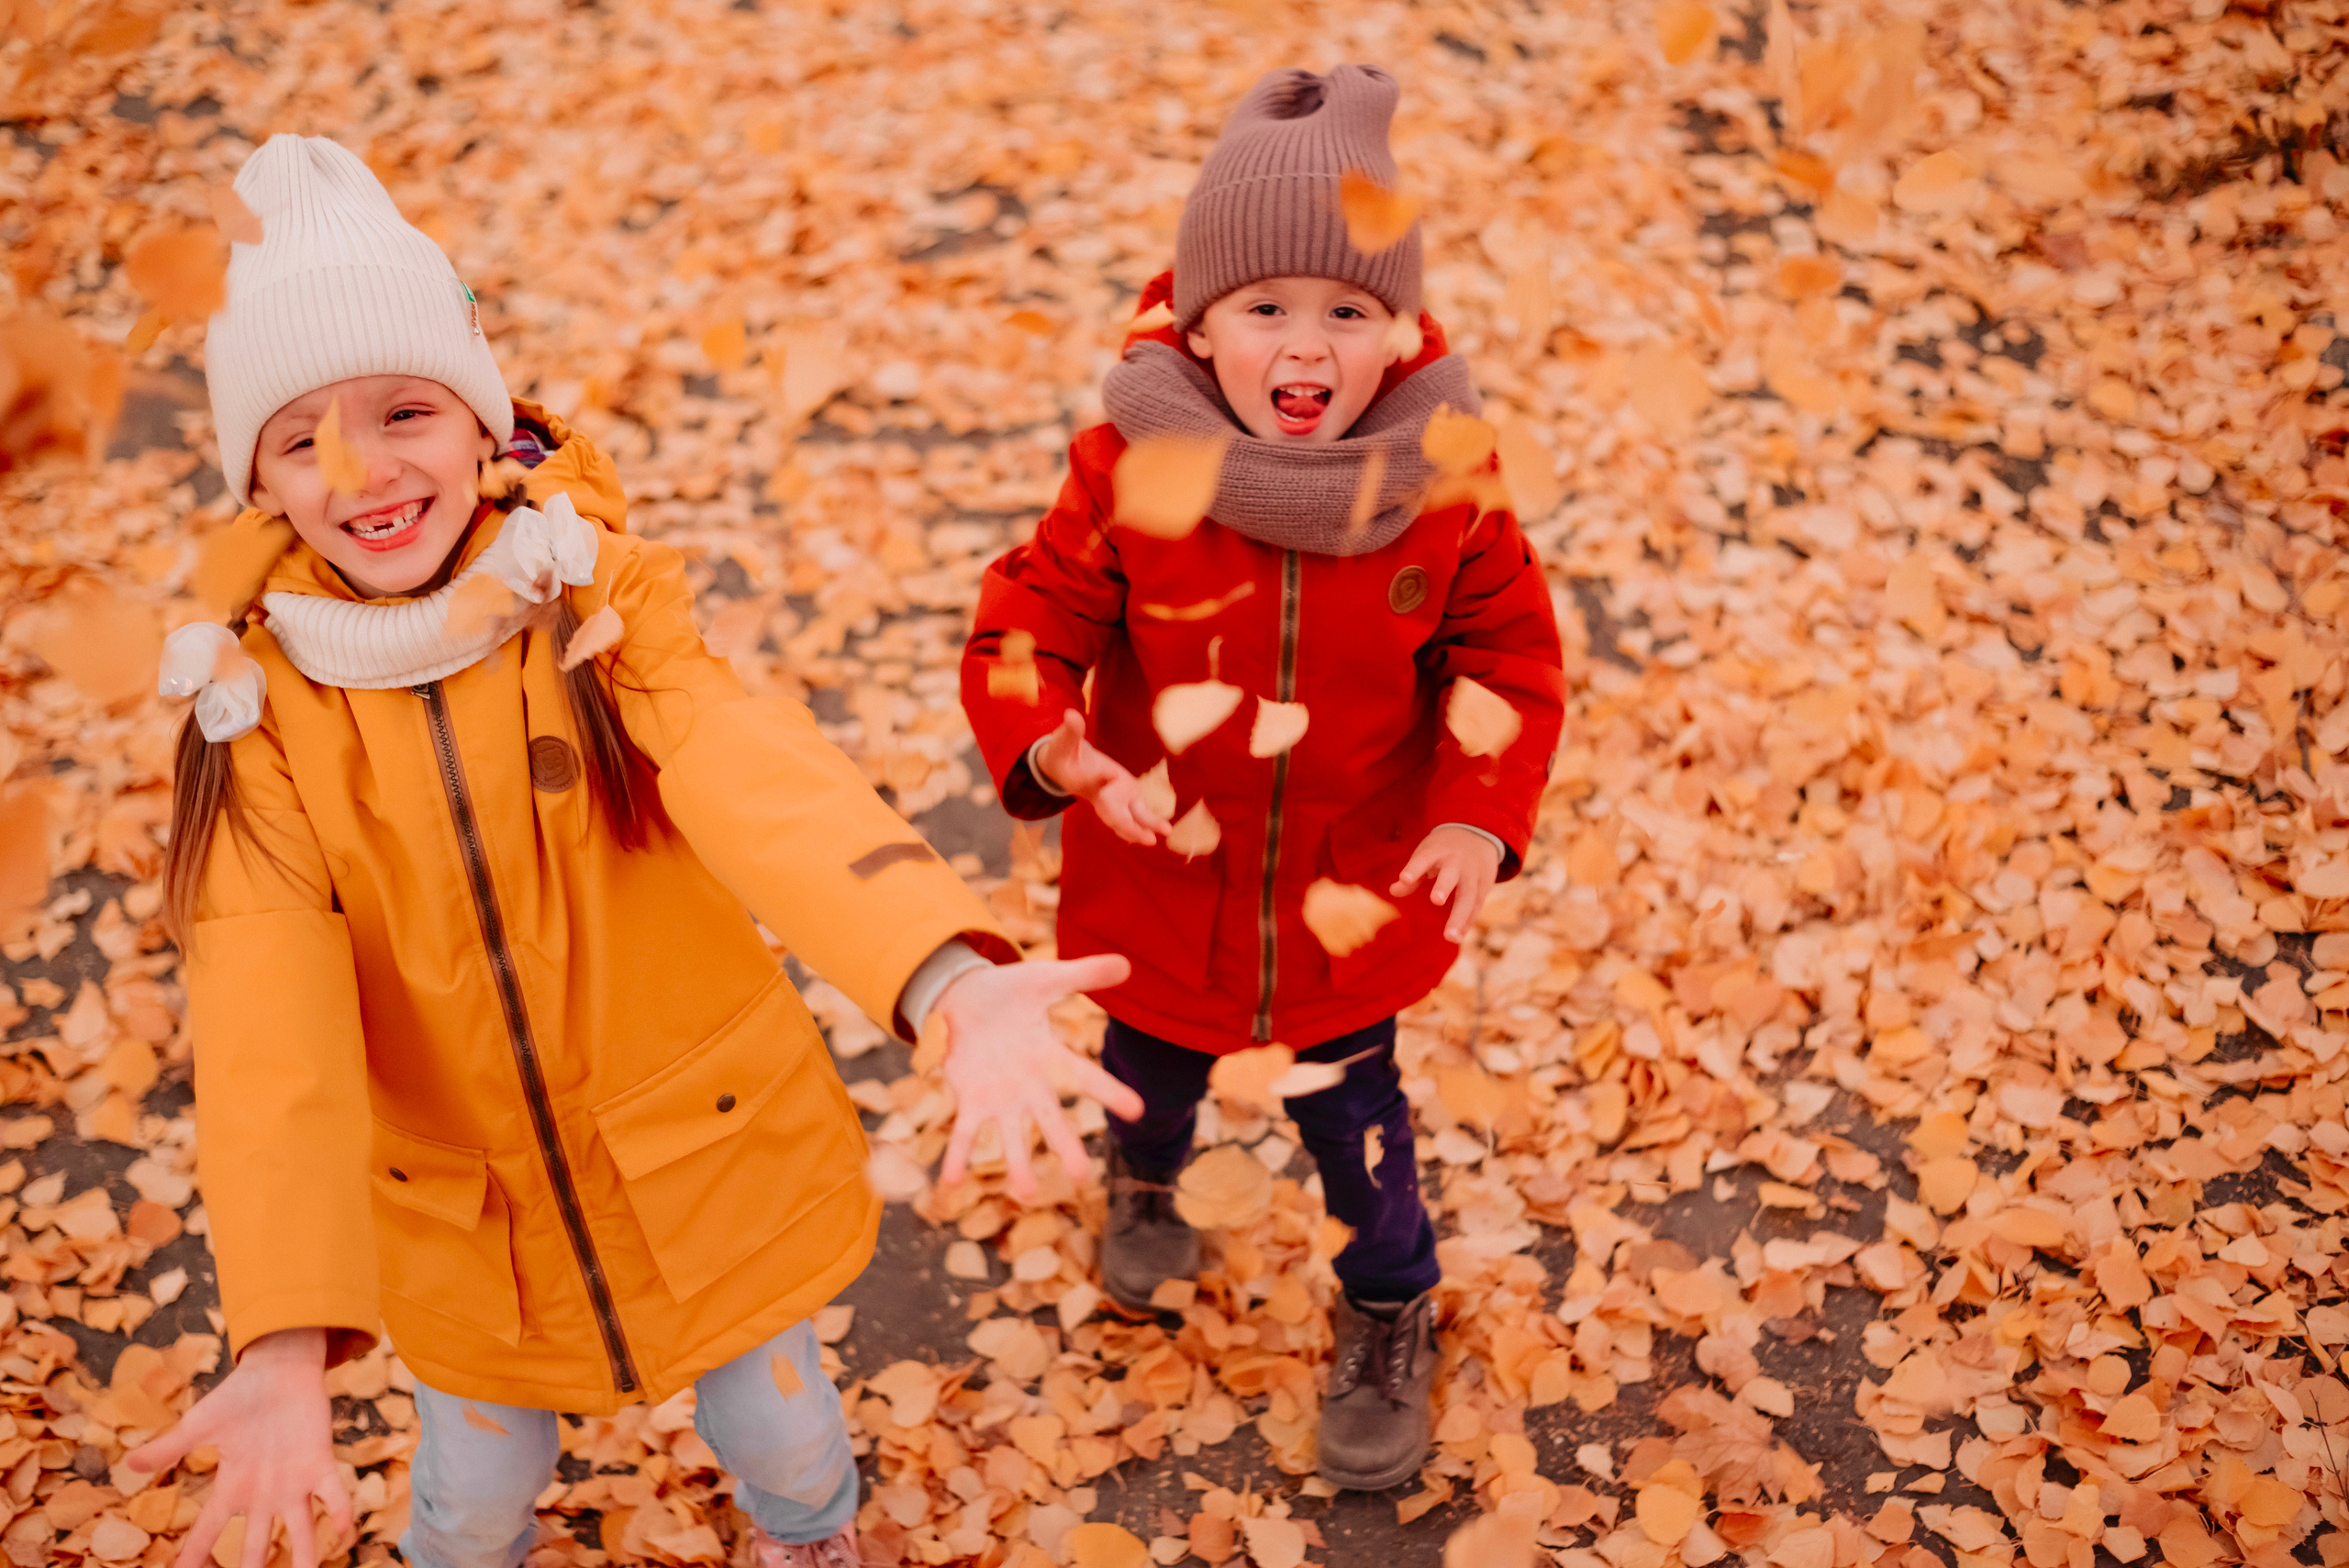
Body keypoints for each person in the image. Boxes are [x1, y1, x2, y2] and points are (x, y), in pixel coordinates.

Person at [129, 134, 1138, 1568]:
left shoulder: (591, 604)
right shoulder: (256, 720)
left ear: (484, 423)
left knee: (785, 1431)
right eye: (301, 438)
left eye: (402, 407)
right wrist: (286, 1331)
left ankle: (811, 1535)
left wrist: (940, 973)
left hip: (700, 1158)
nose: (360, 466)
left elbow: (753, 770)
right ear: (264, 489)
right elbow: (263, 1022)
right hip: (466, 1224)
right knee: (474, 1489)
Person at [960, 65, 1564, 1491]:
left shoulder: (1445, 481)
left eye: (1347, 311)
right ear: (1200, 319)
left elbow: (1509, 657)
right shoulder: (1129, 466)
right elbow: (1024, 621)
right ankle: (1149, 1179)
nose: (1308, 343)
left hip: (1348, 895)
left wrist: (1482, 809)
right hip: (1155, 877)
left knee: (1359, 1128)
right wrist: (1051, 739)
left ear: (1398, 328)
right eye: (1267, 309)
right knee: (1148, 1069)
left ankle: (1387, 1301)